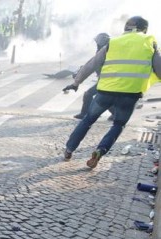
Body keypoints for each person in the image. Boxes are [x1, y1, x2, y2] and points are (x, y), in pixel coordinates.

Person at [62, 16, 161, 169]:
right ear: (144, 29)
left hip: (105, 91)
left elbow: (91, 64)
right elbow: (159, 69)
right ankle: (100, 151)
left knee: (88, 120)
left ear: (126, 28)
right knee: (118, 125)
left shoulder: (113, 42)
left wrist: (76, 83)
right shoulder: (150, 42)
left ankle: (69, 150)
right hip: (130, 95)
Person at [73, 33, 115, 121]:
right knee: (104, 98)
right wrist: (81, 70)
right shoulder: (108, 51)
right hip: (108, 80)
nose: (96, 45)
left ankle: (84, 114)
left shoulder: (104, 52)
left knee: (89, 94)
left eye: (97, 43)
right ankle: (115, 114)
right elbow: (93, 64)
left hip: (106, 81)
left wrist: (80, 75)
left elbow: (93, 66)